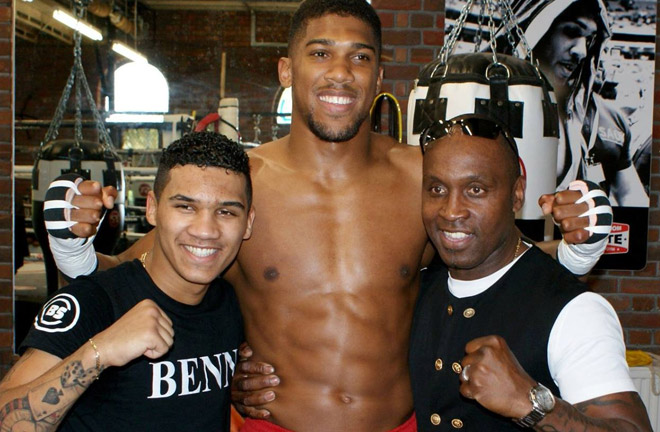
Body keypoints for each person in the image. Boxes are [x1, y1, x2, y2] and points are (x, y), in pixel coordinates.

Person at [40, 1, 608, 431]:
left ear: (380, 77)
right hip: (272, 426)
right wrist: (73, 244)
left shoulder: (421, 180)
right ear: (287, 70)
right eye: (321, 53)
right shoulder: (243, 185)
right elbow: (136, 275)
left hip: (400, 426)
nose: (340, 73)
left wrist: (575, 249)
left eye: (360, 56)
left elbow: (491, 262)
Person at [408, 113, 651, 431]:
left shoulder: (573, 310)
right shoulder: (421, 285)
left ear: (517, 194)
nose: (451, 211)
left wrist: (530, 402)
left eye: (476, 190)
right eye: (437, 190)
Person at [0, 132, 254, 431]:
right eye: (185, 206)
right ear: (152, 208)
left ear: (247, 223)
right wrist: (99, 352)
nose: (206, 230)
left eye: (226, 212)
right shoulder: (95, 301)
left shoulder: (230, 304)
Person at [502, 0, 648, 206]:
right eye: (571, 32)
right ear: (535, 29)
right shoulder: (490, 106)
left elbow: (632, 198)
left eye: (589, 40)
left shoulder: (608, 117)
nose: (582, 51)